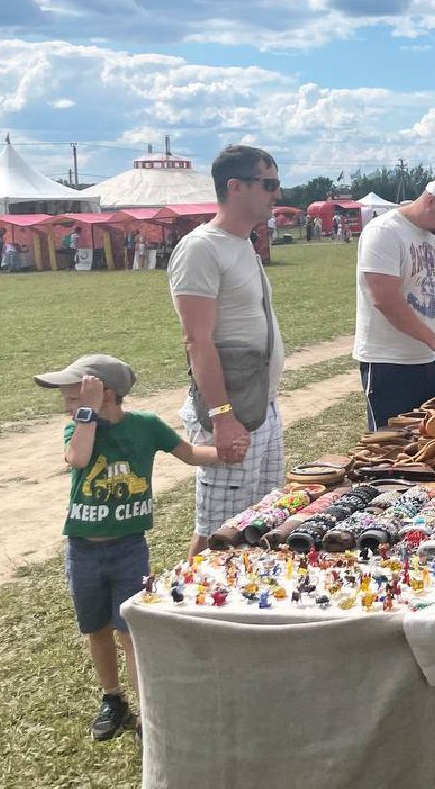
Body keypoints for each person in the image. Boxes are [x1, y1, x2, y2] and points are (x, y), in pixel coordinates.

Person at [37, 353, 218, 740]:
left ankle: (146, 712)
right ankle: (113, 699)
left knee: (129, 630)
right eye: (70, 401)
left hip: (128, 549)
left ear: (106, 393)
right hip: (83, 549)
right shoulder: (78, 429)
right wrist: (85, 413)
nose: (68, 407)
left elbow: (189, 454)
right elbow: (78, 458)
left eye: (74, 397)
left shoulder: (146, 426)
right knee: (97, 628)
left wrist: (229, 451)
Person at [168, 144, 286, 558]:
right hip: (231, 410)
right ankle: (190, 614)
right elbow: (197, 339)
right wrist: (222, 416)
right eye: (268, 184)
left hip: (258, 405)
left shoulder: (242, 243)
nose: (277, 193)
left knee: (260, 521)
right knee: (218, 531)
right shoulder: (202, 247)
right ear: (234, 187)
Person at [354, 176, 435, 433]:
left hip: (431, 360)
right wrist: (434, 340)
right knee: (391, 449)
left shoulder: (434, 234)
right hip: (391, 363)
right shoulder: (384, 231)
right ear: (430, 201)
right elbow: (384, 299)